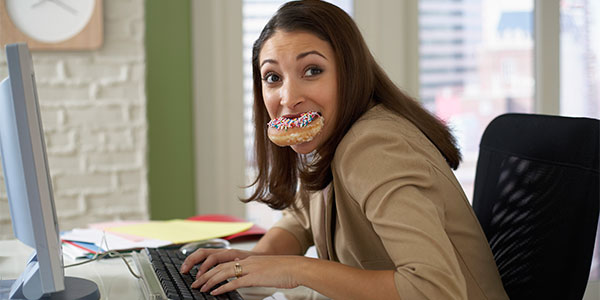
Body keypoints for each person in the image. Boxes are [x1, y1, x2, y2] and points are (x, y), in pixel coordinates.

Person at [180, 1, 509, 299]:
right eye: (273, 77)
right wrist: (251, 262)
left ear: (349, 73)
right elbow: (301, 218)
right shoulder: (328, 137)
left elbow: (434, 290)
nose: (288, 97)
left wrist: (294, 270)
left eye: (312, 70)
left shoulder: (374, 145)